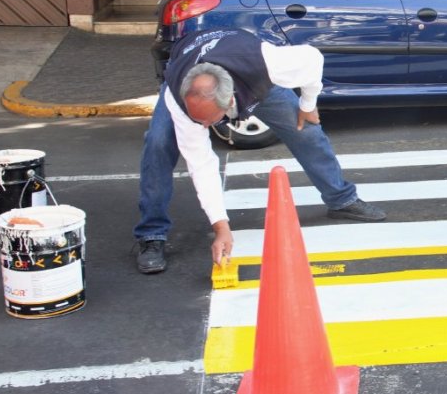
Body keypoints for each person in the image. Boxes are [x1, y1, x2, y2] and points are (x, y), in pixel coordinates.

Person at [133, 28, 386, 274]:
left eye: (210, 121)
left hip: (246, 72)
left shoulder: (265, 63)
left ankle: (341, 199)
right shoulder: (180, 97)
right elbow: (202, 164)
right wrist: (221, 227)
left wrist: (308, 104)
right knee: (158, 143)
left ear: (231, 101)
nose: (205, 128)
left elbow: (312, 58)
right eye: (199, 121)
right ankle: (151, 233)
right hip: (190, 62)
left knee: (305, 129)